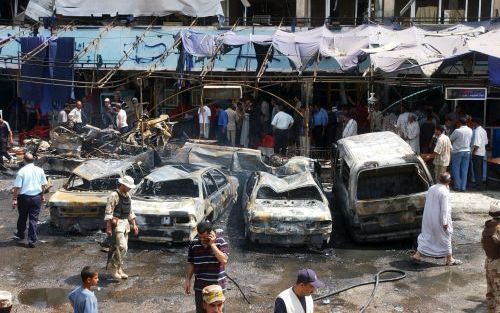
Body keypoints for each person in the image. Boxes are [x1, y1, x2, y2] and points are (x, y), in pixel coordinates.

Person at [412, 172, 461, 266]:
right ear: (449, 181)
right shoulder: (444, 192)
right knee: (446, 237)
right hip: (440, 219)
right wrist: (445, 222)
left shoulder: (432, 188)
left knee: (427, 236)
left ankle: (417, 255)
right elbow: (444, 209)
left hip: (429, 218)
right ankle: (449, 259)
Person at [185, 221, 229, 313]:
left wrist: (212, 244)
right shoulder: (194, 244)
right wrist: (188, 280)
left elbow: (224, 260)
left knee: (217, 311)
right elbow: (191, 263)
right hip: (200, 287)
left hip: (217, 286)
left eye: (204, 237)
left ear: (211, 234)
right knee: (201, 311)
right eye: (200, 237)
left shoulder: (220, 242)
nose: (202, 239)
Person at [104, 176, 139, 280]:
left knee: (123, 249)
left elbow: (130, 212)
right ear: (123, 184)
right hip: (117, 224)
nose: (129, 188)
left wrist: (134, 224)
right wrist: (109, 228)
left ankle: (119, 268)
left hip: (125, 225)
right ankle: (113, 267)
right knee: (122, 247)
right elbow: (109, 213)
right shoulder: (114, 195)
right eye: (128, 186)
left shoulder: (127, 196)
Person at [12, 153, 47, 248]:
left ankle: (20, 234)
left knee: (22, 216)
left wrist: (14, 199)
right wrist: (42, 195)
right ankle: (32, 241)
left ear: (24, 160)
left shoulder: (21, 171)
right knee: (33, 219)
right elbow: (43, 185)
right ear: (33, 160)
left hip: (24, 198)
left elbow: (17, 187)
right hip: (36, 198)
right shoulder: (40, 170)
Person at [481, 200, 500, 313]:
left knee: (491, 292)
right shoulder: (498, 228)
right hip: (498, 265)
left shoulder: (488, 226)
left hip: (489, 262)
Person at [449, 117, 473, 191]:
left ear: (459, 123)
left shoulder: (457, 130)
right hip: (467, 151)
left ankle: (457, 186)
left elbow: (450, 139)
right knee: (464, 170)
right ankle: (463, 187)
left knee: (456, 169)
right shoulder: (470, 130)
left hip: (457, 151)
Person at [471, 118, 488, 190]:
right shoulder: (483, 130)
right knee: (480, 169)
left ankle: (478, 185)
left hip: (477, 153)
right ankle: (479, 184)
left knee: (477, 170)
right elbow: (486, 142)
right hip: (482, 152)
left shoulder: (477, 131)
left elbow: (476, 144)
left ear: (475, 123)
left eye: (473, 123)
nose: (472, 124)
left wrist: (473, 152)